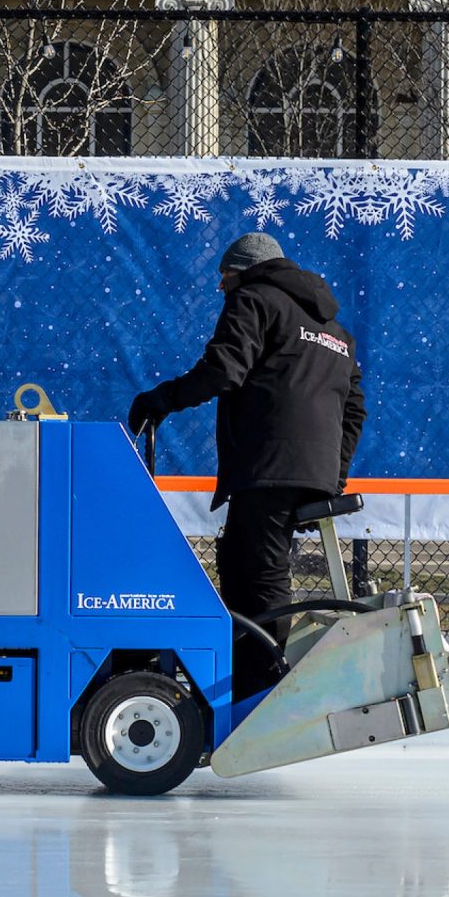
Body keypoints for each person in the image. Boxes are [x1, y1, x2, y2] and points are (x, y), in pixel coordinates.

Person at [129, 233, 366, 702]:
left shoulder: (254, 300)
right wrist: (330, 477)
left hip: (268, 463)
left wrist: (163, 399)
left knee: (260, 575)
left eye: (224, 277)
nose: (221, 288)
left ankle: (264, 689)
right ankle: (243, 676)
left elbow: (224, 369)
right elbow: (354, 408)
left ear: (243, 270)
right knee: (241, 563)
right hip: (308, 468)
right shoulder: (336, 333)